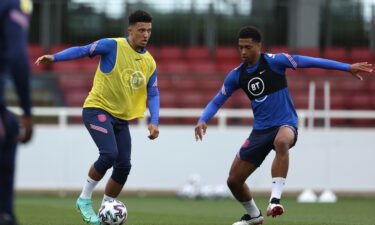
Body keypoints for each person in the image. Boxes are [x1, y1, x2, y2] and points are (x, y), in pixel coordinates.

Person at [194, 26, 372, 225]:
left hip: (285, 123)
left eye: (248, 47)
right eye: (240, 47)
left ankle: (275, 200)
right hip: (260, 131)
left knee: (281, 141)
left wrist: (347, 67)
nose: (243, 52)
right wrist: (203, 119)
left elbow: (311, 61)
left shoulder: (276, 61)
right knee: (233, 181)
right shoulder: (237, 75)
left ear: (259, 46)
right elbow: (217, 101)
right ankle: (254, 215)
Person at [36, 10, 159, 225]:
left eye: (149, 30)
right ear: (130, 30)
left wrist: (154, 121)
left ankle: (107, 207)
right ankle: (84, 199)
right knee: (109, 154)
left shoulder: (149, 62)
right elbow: (83, 50)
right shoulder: (112, 45)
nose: (146, 34)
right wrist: (54, 57)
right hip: (97, 110)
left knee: (124, 166)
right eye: (141, 30)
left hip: (121, 119)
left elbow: (154, 92)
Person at [0, 0, 34, 225]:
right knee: (9, 129)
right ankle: (4, 214)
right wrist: (27, 112)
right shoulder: (16, 3)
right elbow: (18, 56)